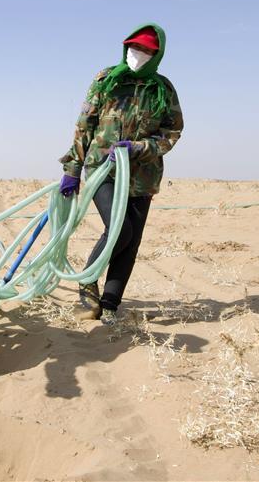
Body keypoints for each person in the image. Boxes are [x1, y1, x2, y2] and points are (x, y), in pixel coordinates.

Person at [59, 23, 184, 325]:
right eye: (133, 47)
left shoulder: (162, 89)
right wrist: (73, 169)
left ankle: (111, 304)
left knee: (132, 240)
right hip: (103, 169)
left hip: (143, 175)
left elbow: (173, 131)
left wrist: (140, 147)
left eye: (145, 50)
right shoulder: (106, 80)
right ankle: (87, 282)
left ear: (156, 55)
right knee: (119, 229)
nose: (137, 53)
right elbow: (84, 124)